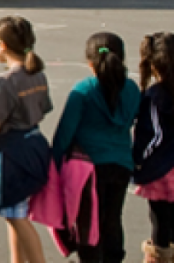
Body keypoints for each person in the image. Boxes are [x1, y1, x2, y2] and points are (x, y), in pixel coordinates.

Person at [50, 32, 139, 263]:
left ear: (89, 62)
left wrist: (54, 165)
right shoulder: (131, 89)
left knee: (89, 223)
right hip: (121, 163)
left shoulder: (84, 90)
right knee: (112, 218)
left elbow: (65, 133)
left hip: (88, 167)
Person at [0, 16, 52, 263]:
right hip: (34, 143)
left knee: (15, 215)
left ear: (1, 45)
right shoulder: (37, 74)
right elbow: (44, 108)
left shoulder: (6, 81)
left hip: (12, 150)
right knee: (15, 212)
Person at [136, 33, 174, 263]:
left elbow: (154, 136)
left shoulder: (154, 97)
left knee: (160, 222)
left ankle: (158, 259)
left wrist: (140, 160)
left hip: (162, 169)